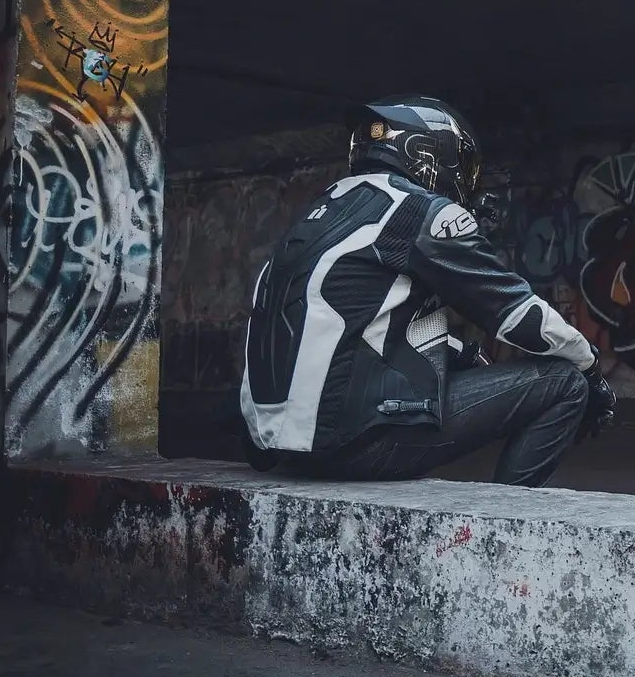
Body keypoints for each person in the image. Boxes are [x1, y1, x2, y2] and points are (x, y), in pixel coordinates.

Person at [239, 96, 615, 484]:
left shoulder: (321, 212)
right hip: (352, 445)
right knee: (565, 384)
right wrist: (589, 366)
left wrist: (462, 353)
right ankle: (500, 516)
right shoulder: (418, 210)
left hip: (275, 446)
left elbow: (356, 322)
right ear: (430, 154)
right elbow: (518, 314)